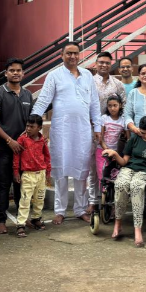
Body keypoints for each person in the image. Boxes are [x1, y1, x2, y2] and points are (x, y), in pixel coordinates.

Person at [32, 42, 101, 225]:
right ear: (61, 55)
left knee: (81, 170)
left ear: (80, 55)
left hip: (83, 131)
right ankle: (60, 211)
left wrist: (97, 127)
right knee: (60, 170)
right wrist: (32, 123)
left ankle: (80, 209)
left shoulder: (87, 75)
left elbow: (94, 103)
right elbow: (43, 100)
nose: (72, 56)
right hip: (62, 130)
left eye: (76, 53)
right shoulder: (54, 75)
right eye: (69, 53)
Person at [103, 115, 146, 247]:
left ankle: (138, 229)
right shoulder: (134, 138)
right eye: (143, 133)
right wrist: (115, 154)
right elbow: (124, 162)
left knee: (136, 186)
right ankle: (118, 223)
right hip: (129, 168)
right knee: (121, 184)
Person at [0, 58, 33, 234]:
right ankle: (1, 221)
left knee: (23, 185)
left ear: (23, 73)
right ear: (6, 73)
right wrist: (9, 141)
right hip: (4, 148)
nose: (15, 73)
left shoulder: (27, 95)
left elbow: (30, 122)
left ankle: (23, 217)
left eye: (18, 70)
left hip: (23, 149)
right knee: (4, 185)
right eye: (12, 70)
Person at [89, 52, 126, 213]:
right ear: (96, 64)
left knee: (110, 171)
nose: (104, 65)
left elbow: (124, 105)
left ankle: (109, 201)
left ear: (111, 65)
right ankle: (93, 201)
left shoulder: (117, 84)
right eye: (101, 62)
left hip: (113, 133)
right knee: (93, 169)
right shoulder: (89, 82)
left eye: (107, 63)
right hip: (90, 129)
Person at [13, 115, 52, 238]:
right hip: (28, 175)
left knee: (40, 198)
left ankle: (36, 218)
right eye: (27, 126)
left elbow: (47, 156)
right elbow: (16, 156)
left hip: (41, 173)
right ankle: (21, 224)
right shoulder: (22, 139)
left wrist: (48, 172)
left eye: (32, 126)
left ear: (39, 128)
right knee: (25, 200)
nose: (28, 129)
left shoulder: (42, 140)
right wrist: (16, 172)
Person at [97, 94, 126, 188]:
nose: (112, 108)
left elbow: (128, 138)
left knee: (113, 175)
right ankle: (103, 195)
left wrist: (116, 153)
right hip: (102, 151)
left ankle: (110, 195)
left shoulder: (123, 120)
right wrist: (107, 149)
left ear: (120, 105)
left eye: (115, 105)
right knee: (102, 174)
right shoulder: (104, 118)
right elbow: (100, 138)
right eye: (110, 106)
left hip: (115, 153)